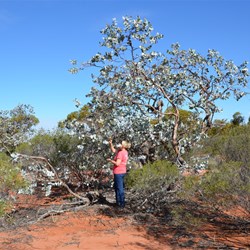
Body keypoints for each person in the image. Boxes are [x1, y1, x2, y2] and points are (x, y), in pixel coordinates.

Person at [107, 139, 131, 208]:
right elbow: (113, 150)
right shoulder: (125, 152)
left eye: (120, 144)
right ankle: (119, 203)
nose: (118, 145)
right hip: (123, 171)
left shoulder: (120, 153)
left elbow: (117, 163)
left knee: (119, 188)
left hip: (118, 172)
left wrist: (111, 160)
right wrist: (110, 143)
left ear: (123, 146)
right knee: (118, 187)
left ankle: (121, 204)